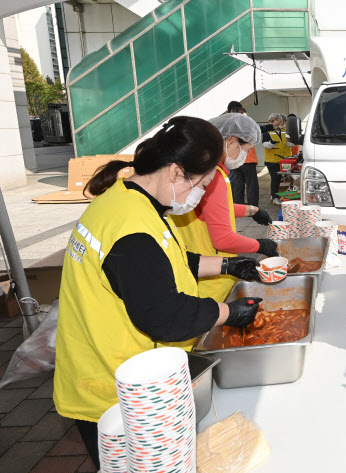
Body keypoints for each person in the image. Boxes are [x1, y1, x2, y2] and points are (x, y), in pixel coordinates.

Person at [53, 116, 266, 468]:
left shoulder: (130, 199)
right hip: (118, 389)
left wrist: (229, 266)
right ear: (175, 172)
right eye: (201, 184)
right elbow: (165, 315)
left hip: (120, 370)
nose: (199, 194)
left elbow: (171, 260)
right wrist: (232, 313)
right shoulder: (131, 228)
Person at [171, 113, 278, 303]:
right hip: (213, 277)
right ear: (231, 140)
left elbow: (215, 209)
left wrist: (252, 210)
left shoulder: (205, 170)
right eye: (246, 149)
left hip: (198, 268)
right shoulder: (213, 176)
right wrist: (260, 245)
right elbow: (223, 239)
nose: (245, 156)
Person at [226, 107, 261, 206]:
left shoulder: (230, 127)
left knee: (238, 184)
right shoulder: (246, 126)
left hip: (236, 160)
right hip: (248, 160)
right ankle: (253, 206)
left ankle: (239, 205)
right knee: (251, 185)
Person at [260, 113, 292, 204]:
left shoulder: (284, 131)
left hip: (285, 160)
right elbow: (265, 145)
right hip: (272, 161)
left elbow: (288, 143)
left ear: (279, 121)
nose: (272, 123)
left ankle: (281, 196)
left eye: (274, 121)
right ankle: (274, 197)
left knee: (285, 179)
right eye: (270, 121)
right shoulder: (267, 132)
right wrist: (271, 143)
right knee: (275, 179)